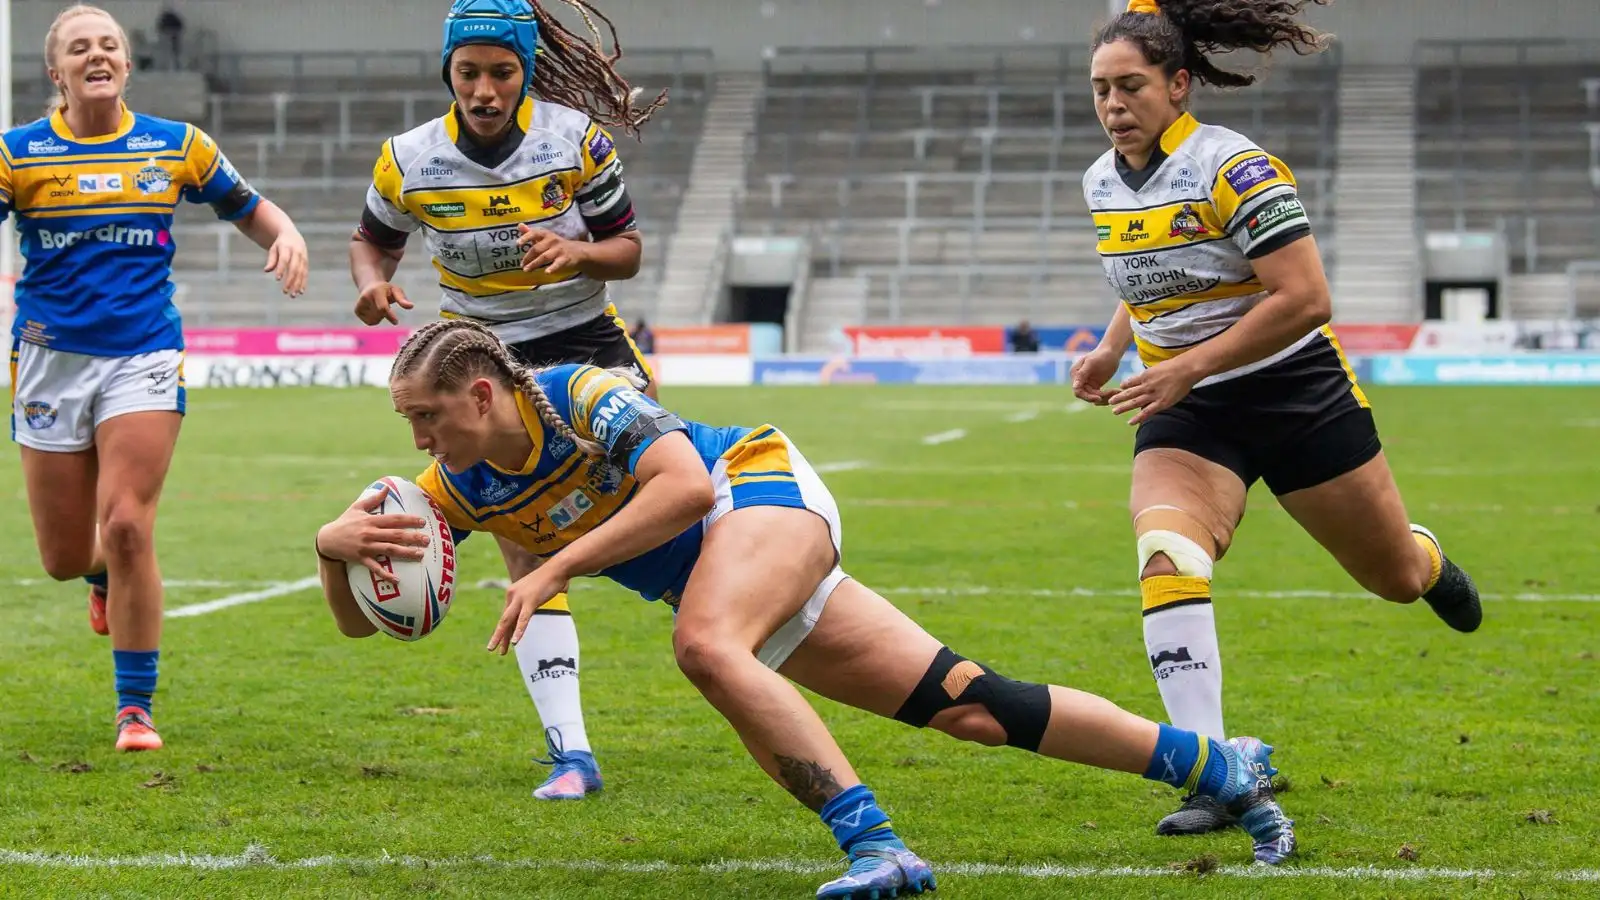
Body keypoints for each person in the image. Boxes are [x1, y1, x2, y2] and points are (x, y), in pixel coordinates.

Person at [312, 319, 1297, 898]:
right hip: (737, 567)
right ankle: (1219, 766)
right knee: (972, 706)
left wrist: (548, 568)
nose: (418, 441)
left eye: (425, 417)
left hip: (759, 489)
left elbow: (687, 489)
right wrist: (332, 555)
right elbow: (379, 624)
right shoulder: (462, 486)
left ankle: (878, 849)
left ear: (480, 394)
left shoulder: (581, 394)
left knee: (703, 644)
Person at [1070, 0, 1481, 837]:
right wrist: (1116, 348)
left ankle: (1426, 559)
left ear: (1178, 84)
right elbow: (1144, 279)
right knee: (1167, 556)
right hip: (1188, 413)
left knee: (1391, 579)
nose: (1114, 105)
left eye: (1131, 86)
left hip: (1295, 394)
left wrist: (1184, 366)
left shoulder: (1238, 168)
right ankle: (1212, 769)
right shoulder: (1099, 180)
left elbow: (1307, 298)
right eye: (1100, 90)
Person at [346, 0, 667, 801]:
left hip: (586, 343)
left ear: (524, 73)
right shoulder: (408, 158)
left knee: (667, 498)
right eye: (468, 73)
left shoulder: (574, 141)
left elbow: (626, 250)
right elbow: (371, 239)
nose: (484, 89)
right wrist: (371, 285)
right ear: (446, 73)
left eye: (502, 72)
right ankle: (572, 754)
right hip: (477, 361)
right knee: (525, 543)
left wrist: (576, 250)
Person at [3, 4, 308, 751]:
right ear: (57, 71)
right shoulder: (18, 154)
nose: (97, 54)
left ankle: (133, 709)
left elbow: (249, 207)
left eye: (109, 44)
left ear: (128, 65)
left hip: (143, 354)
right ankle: (98, 577)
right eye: (80, 48)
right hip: (49, 361)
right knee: (64, 557)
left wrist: (287, 233)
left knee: (131, 524)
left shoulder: (178, 147)